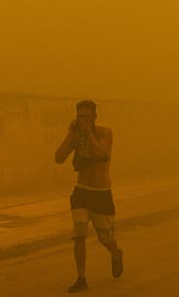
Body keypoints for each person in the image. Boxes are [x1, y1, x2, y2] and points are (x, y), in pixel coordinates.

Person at [55, 100, 123, 293]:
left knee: (105, 237)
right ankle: (81, 277)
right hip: (81, 191)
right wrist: (70, 136)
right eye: (79, 117)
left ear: (95, 117)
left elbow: (102, 154)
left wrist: (88, 133)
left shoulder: (104, 133)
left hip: (101, 194)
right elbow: (58, 158)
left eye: (87, 116)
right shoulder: (77, 136)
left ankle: (116, 253)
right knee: (79, 235)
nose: (83, 120)